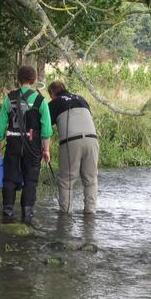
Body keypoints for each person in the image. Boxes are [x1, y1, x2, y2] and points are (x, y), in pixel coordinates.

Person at [0, 65, 52, 224]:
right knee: (31, 180)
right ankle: (27, 217)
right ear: (33, 80)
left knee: (9, 179)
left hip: (12, 143)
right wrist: (46, 150)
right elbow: (46, 130)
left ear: (18, 80)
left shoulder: (9, 98)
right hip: (32, 147)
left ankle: (7, 214)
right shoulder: (41, 101)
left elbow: (1, 125)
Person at [47, 80, 98, 216]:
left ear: (52, 94)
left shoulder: (54, 103)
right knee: (90, 179)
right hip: (92, 140)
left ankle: (65, 215)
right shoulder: (81, 99)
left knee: (66, 181)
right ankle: (90, 212)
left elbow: (45, 127)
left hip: (71, 142)